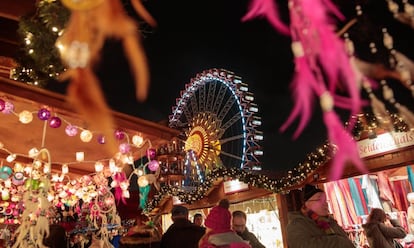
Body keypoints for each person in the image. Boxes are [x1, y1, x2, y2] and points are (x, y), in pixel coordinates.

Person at [286, 184, 355, 248]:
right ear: (306, 204)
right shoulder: (296, 224)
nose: (325, 204)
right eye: (319, 200)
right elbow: (302, 245)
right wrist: (337, 241)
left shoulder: (331, 222)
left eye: (325, 200)